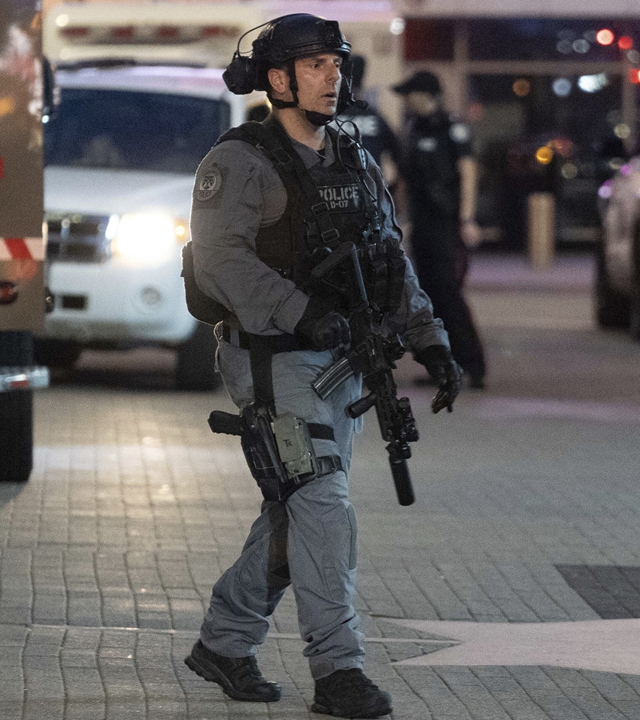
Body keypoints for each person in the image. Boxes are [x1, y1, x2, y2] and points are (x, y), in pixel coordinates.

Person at [183, 13, 461, 719]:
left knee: (296, 511)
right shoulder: (239, 161)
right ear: (277, 79)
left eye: (336, 64)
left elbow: (387, 257)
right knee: (323, 506)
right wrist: (300, 311)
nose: (333, 76)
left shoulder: (352, 156)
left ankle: (223, 642)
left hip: (342, 366)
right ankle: (339, 670)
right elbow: (221, 262)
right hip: (273, 363)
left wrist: (431, 340)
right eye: (315, 65)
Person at [393, 71, 488, 389]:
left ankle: (473, 364)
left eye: (410, 94)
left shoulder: (451, 127)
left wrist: (466, 218)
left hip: (446, 223)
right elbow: (407, 178)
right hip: (423, 223)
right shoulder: (413, 128)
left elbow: (468, 170)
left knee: (449, 293)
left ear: (425, 94)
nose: (407, 100)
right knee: (429, 297)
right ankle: (445, 367)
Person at [336, 55, 400, 169]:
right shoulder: (374, 116)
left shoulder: (329, 117)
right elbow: (397, 151)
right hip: (370, 183)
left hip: (336, 183)